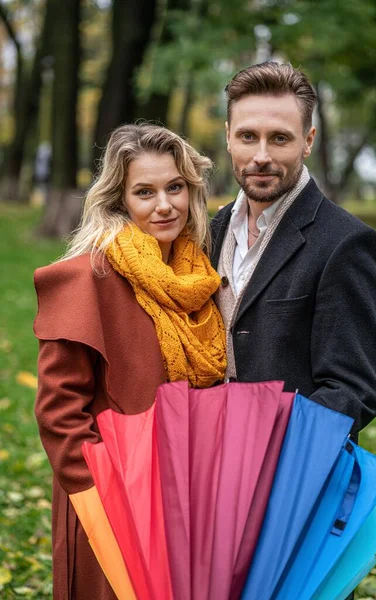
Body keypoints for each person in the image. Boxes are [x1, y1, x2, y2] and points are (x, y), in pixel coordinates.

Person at [33, 124, 226, 600]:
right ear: (120, 200)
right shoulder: (87, 279)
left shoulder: (198, 277)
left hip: (185, 497)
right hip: (113, 505)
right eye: (145, 192)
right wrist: (106, 500)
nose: (164, 205)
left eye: (174, 187)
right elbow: (59, 413)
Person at [211, 61, 376, 438]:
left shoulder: (347, 244)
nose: (261, 155)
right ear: (228, 137)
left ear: (307, 140)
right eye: (247, 136)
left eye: (279, 138)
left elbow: (353, 391)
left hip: (295, 475)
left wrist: (270, 445)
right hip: (205, 465)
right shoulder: (208, 232)